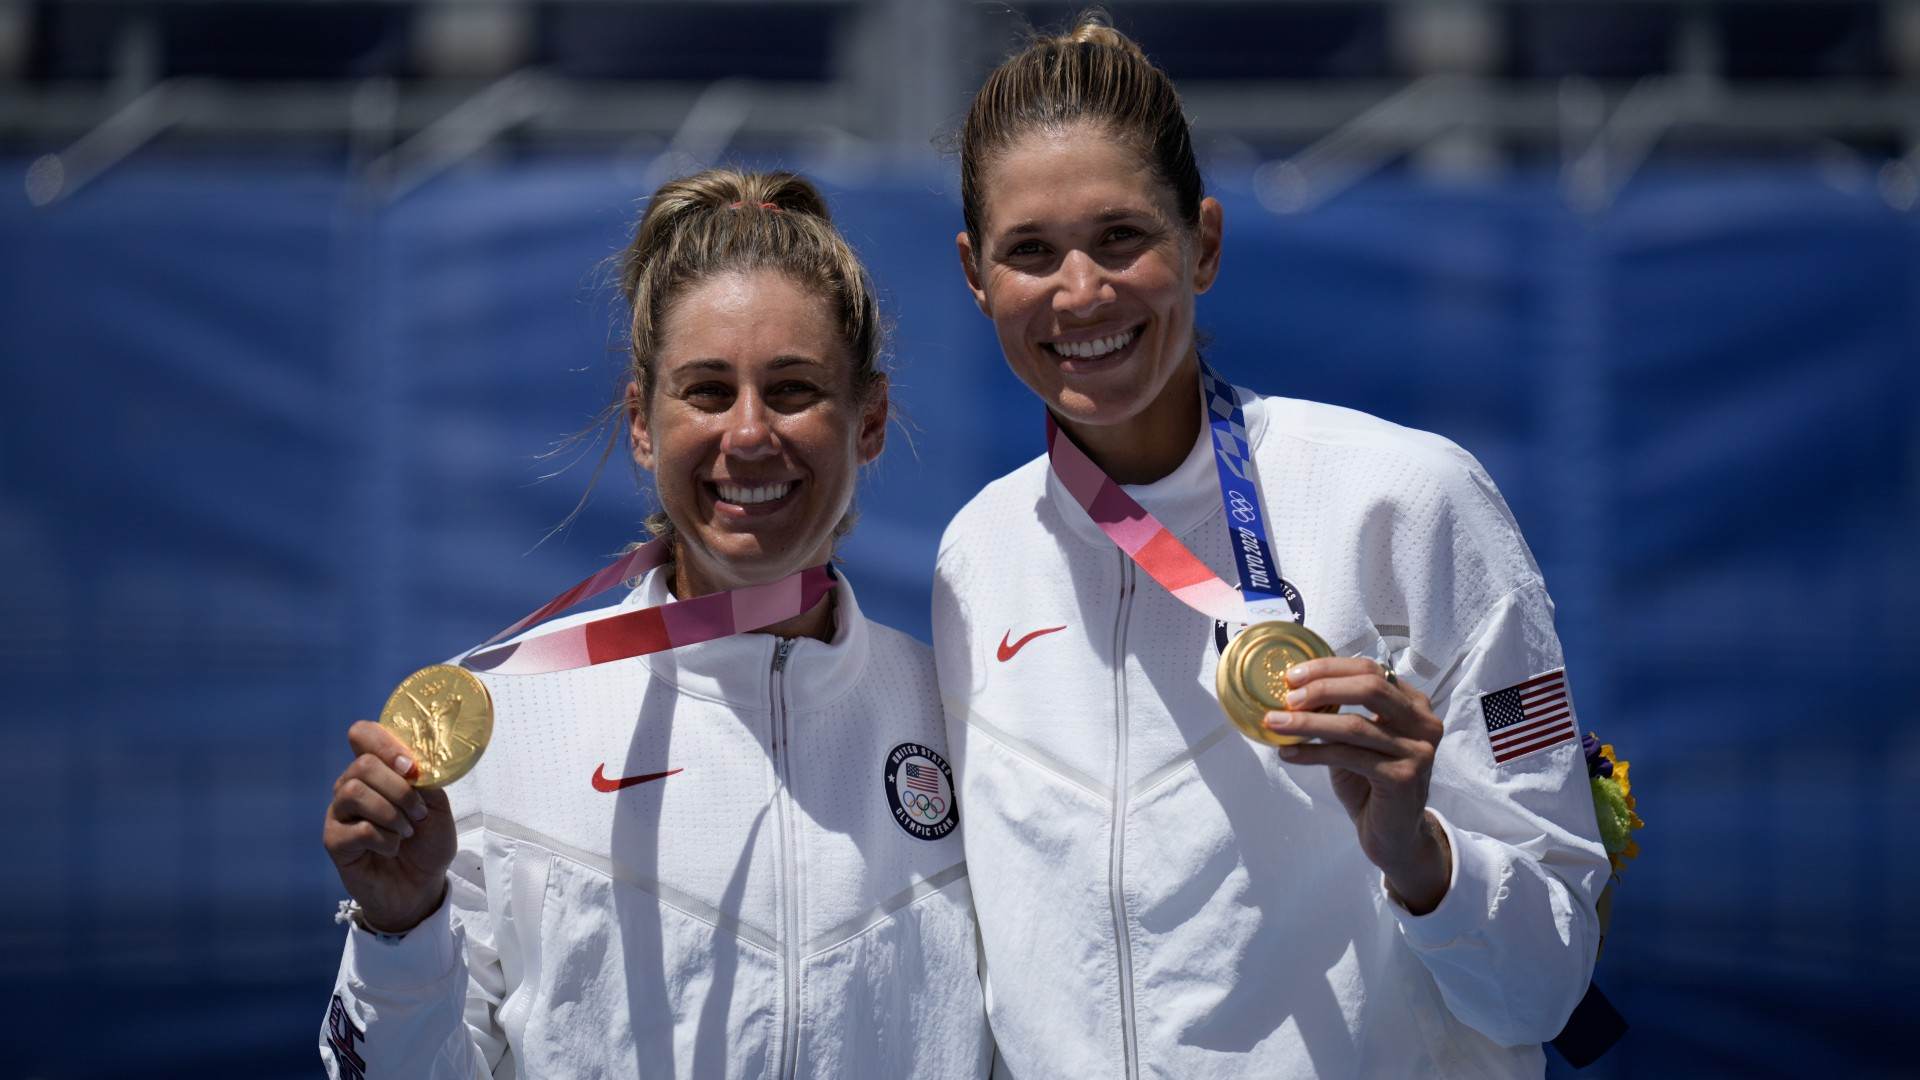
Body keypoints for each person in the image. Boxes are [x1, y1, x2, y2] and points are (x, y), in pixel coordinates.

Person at [932, 15, 1610, 1077]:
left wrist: (1416, 853)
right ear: (976, 276)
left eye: (1121, 236)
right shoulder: (975, 561)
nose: (1080, 291)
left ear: (1202, 242)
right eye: (1030, 251)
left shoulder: (1407, 503)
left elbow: (1547, 984)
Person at [320, 169, 991, 1078]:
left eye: (793, 389)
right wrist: (401, 930)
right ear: (642, 422)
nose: (749, 434)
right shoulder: (502, 729)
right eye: (708, 392)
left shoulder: (962, 716)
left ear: (867, 420)